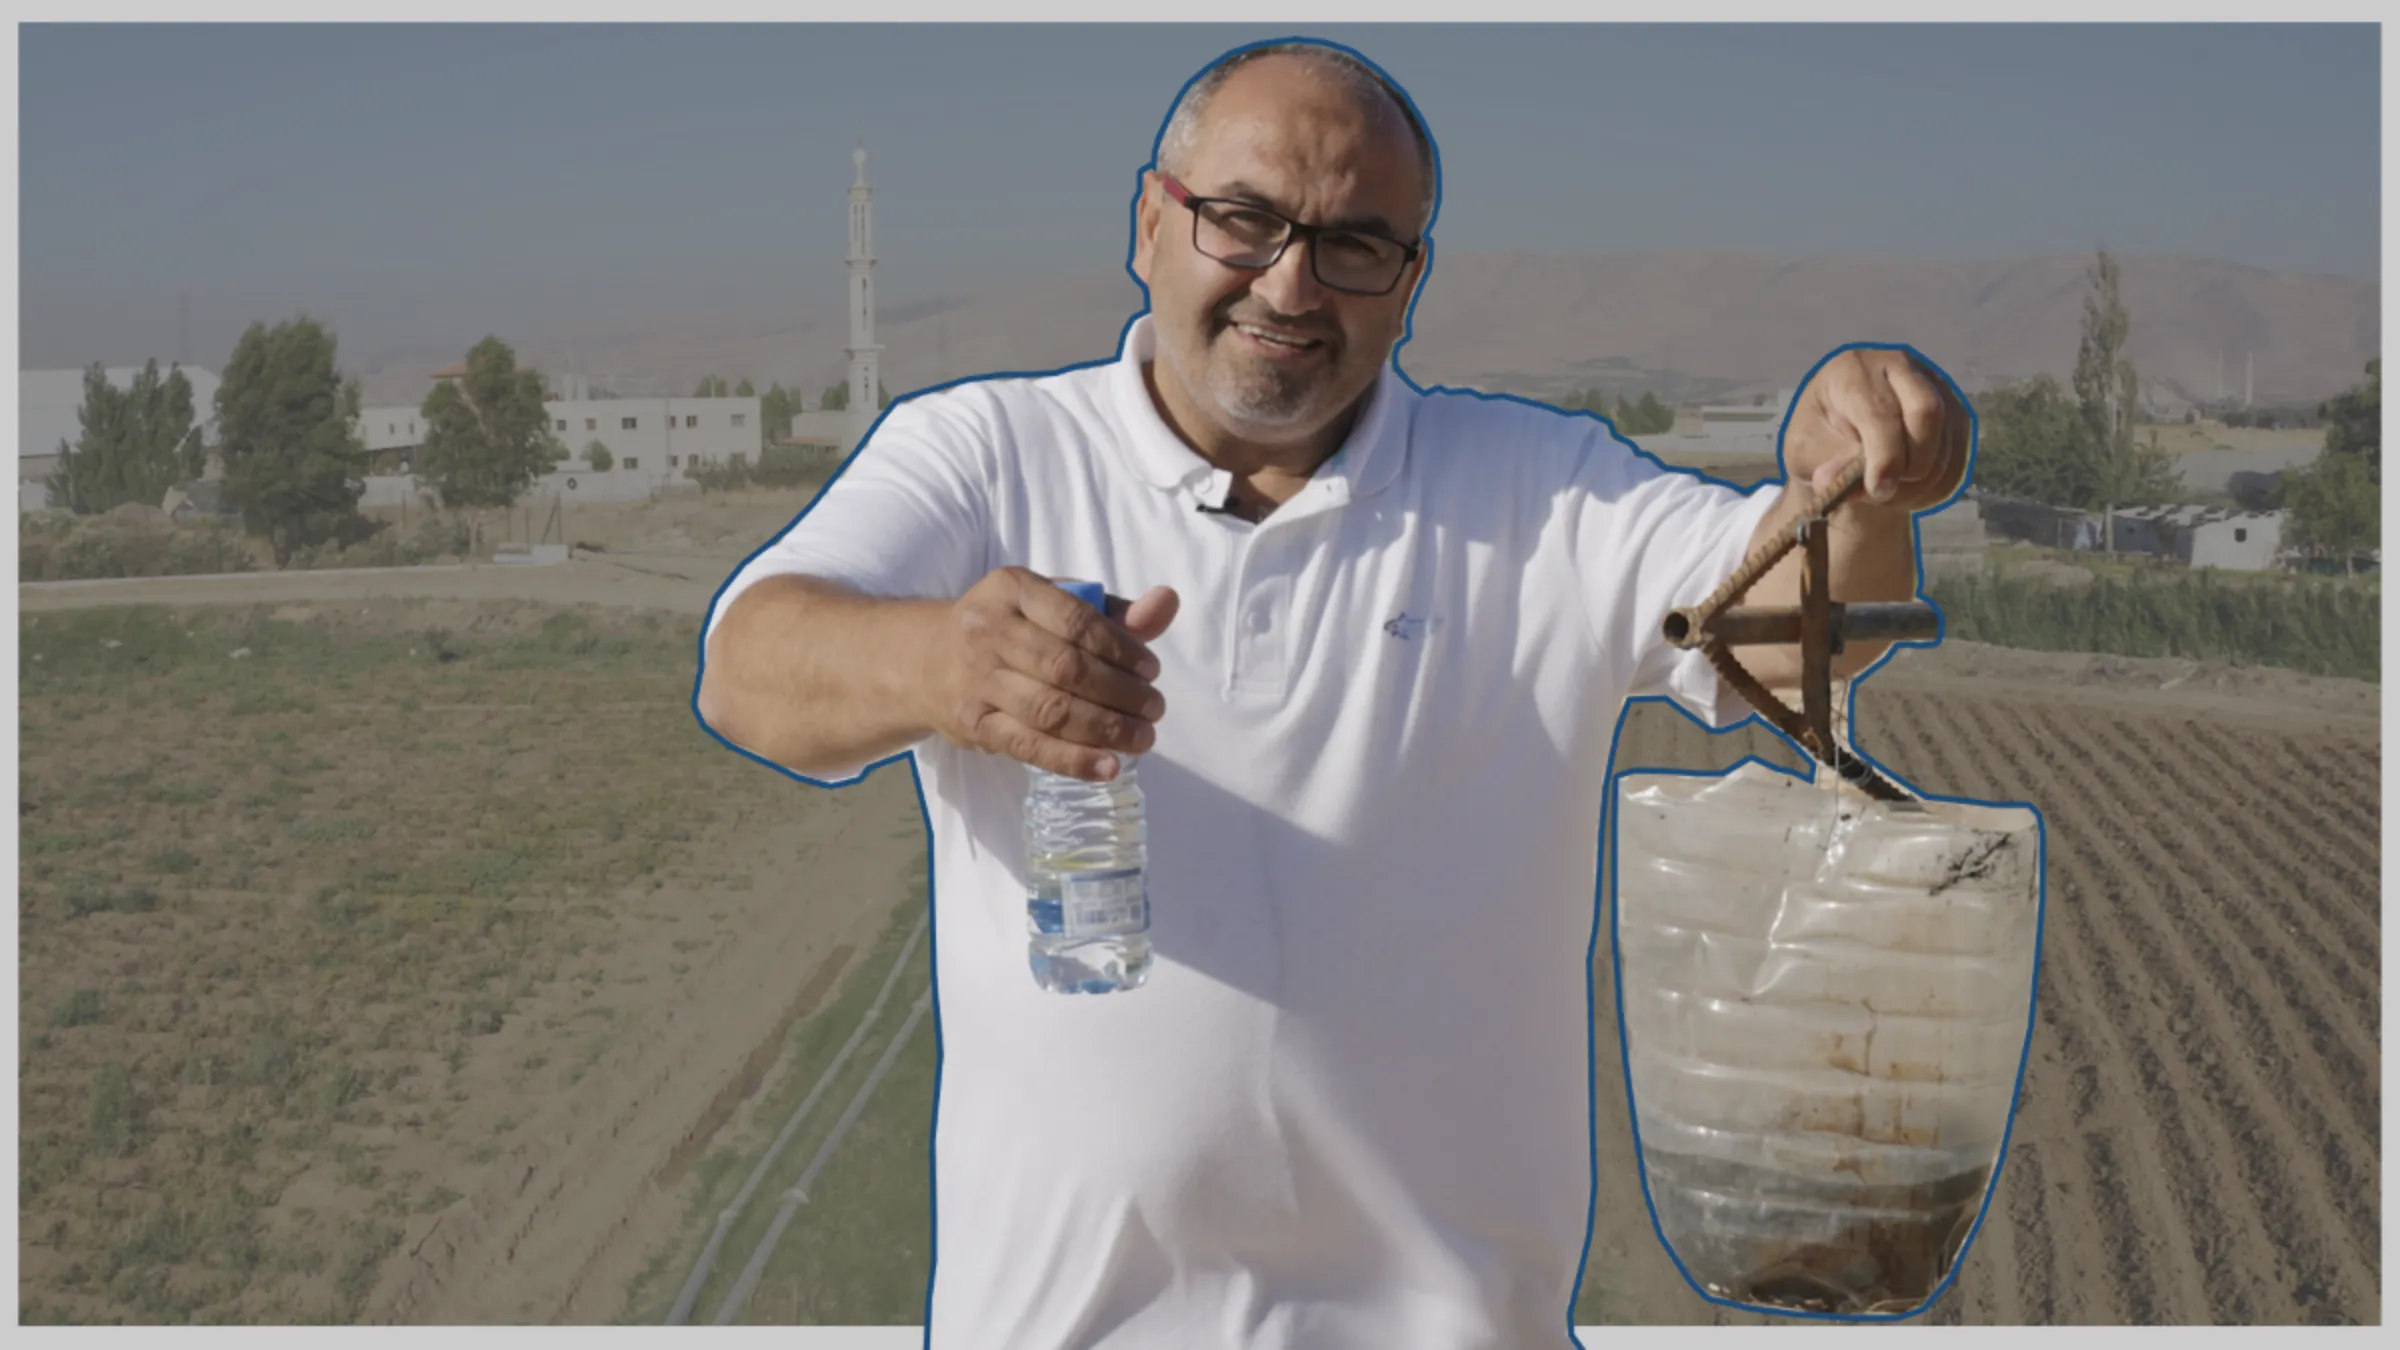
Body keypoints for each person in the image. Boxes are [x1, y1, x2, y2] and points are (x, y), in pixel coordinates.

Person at [698, 38, 1970, 1350]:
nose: (1290, 282)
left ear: (1408, 282)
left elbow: (1791, 644)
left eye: (1355, 244)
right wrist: (944, 663)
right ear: (1153, 221)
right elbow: (750, 667)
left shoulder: (1539, 494)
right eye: (1243, 222)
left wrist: (1852, 485)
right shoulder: (986, 455)